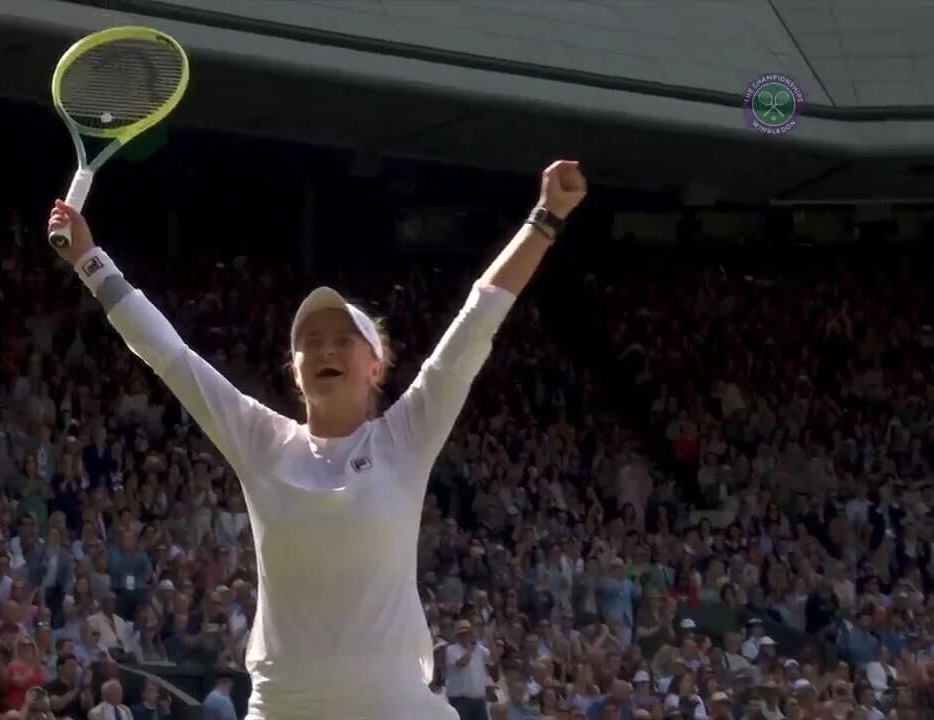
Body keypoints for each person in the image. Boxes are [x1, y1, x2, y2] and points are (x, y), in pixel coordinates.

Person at [47, 159, 588, 720]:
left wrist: (545, 217)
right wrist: (91, 261)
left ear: (375, 367)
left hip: (394, 704)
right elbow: (168, 355)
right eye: (310, 342)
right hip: (286, 704)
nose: (325, 350)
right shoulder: (260, 440)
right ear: (295, 369)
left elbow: (479, 316)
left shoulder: (408, 433)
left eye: (342, 340)